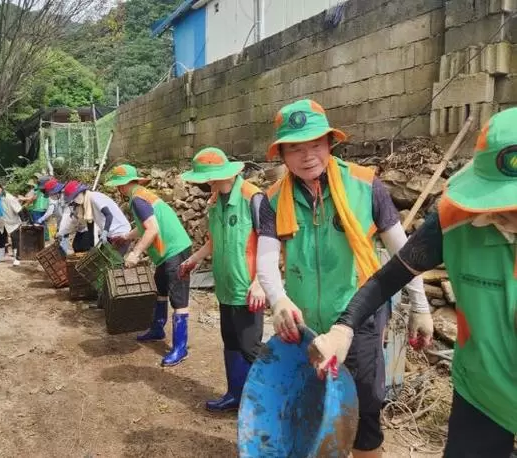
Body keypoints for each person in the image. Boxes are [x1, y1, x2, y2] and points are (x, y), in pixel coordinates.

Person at [309, 109, 517, 458]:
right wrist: (344, 329)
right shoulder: (454, 221)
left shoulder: (363, 186)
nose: (507, 214)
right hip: (482, 391)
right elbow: (389, 276)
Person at [255, 99, 432, 457]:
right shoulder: (273, 199)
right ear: (283, 155)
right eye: (296, 148)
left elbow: (405, 254)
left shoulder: (365, 185)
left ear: (330, 143)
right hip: (304, 324)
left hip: (360, 319)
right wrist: (278, 300)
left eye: (316, 144)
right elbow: (266, 260)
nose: (308, 156)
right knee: (313, 407)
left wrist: (421, 306)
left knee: (365, 413)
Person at [179, 147, 266, 412]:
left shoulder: (253, 197)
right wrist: (193, 260)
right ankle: (235, 394)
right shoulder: (215, 203)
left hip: (249, 289)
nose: (206, 184)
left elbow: (271, 242)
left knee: (251, 347)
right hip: (226, 287)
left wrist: (261, 281)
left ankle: (265, 404)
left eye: (209, 178)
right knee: (230, 340)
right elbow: (213, 242)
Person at [105, 164, 193, 367]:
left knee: (178, 298)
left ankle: (180, 347)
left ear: (124, 185)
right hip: (165, 253)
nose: (118, 189)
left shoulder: (137, 199)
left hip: (175, 250)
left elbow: (152, 229)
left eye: (119, 185)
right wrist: (127, 236)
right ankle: (157, 328)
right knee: (160, 287)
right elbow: (145, 224)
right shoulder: (142, 196)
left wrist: (135, 254)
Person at [61, 180, 132, 255]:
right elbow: (90, 225)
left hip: (120, 232)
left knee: (114, 260)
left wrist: (105, 232)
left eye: (74, 197)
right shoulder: (87, 205)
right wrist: (92, 246)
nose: (75, 201)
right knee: (102, 260)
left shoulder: (94, 197)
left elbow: (108, 215)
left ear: (80, 193)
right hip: (110, 234)